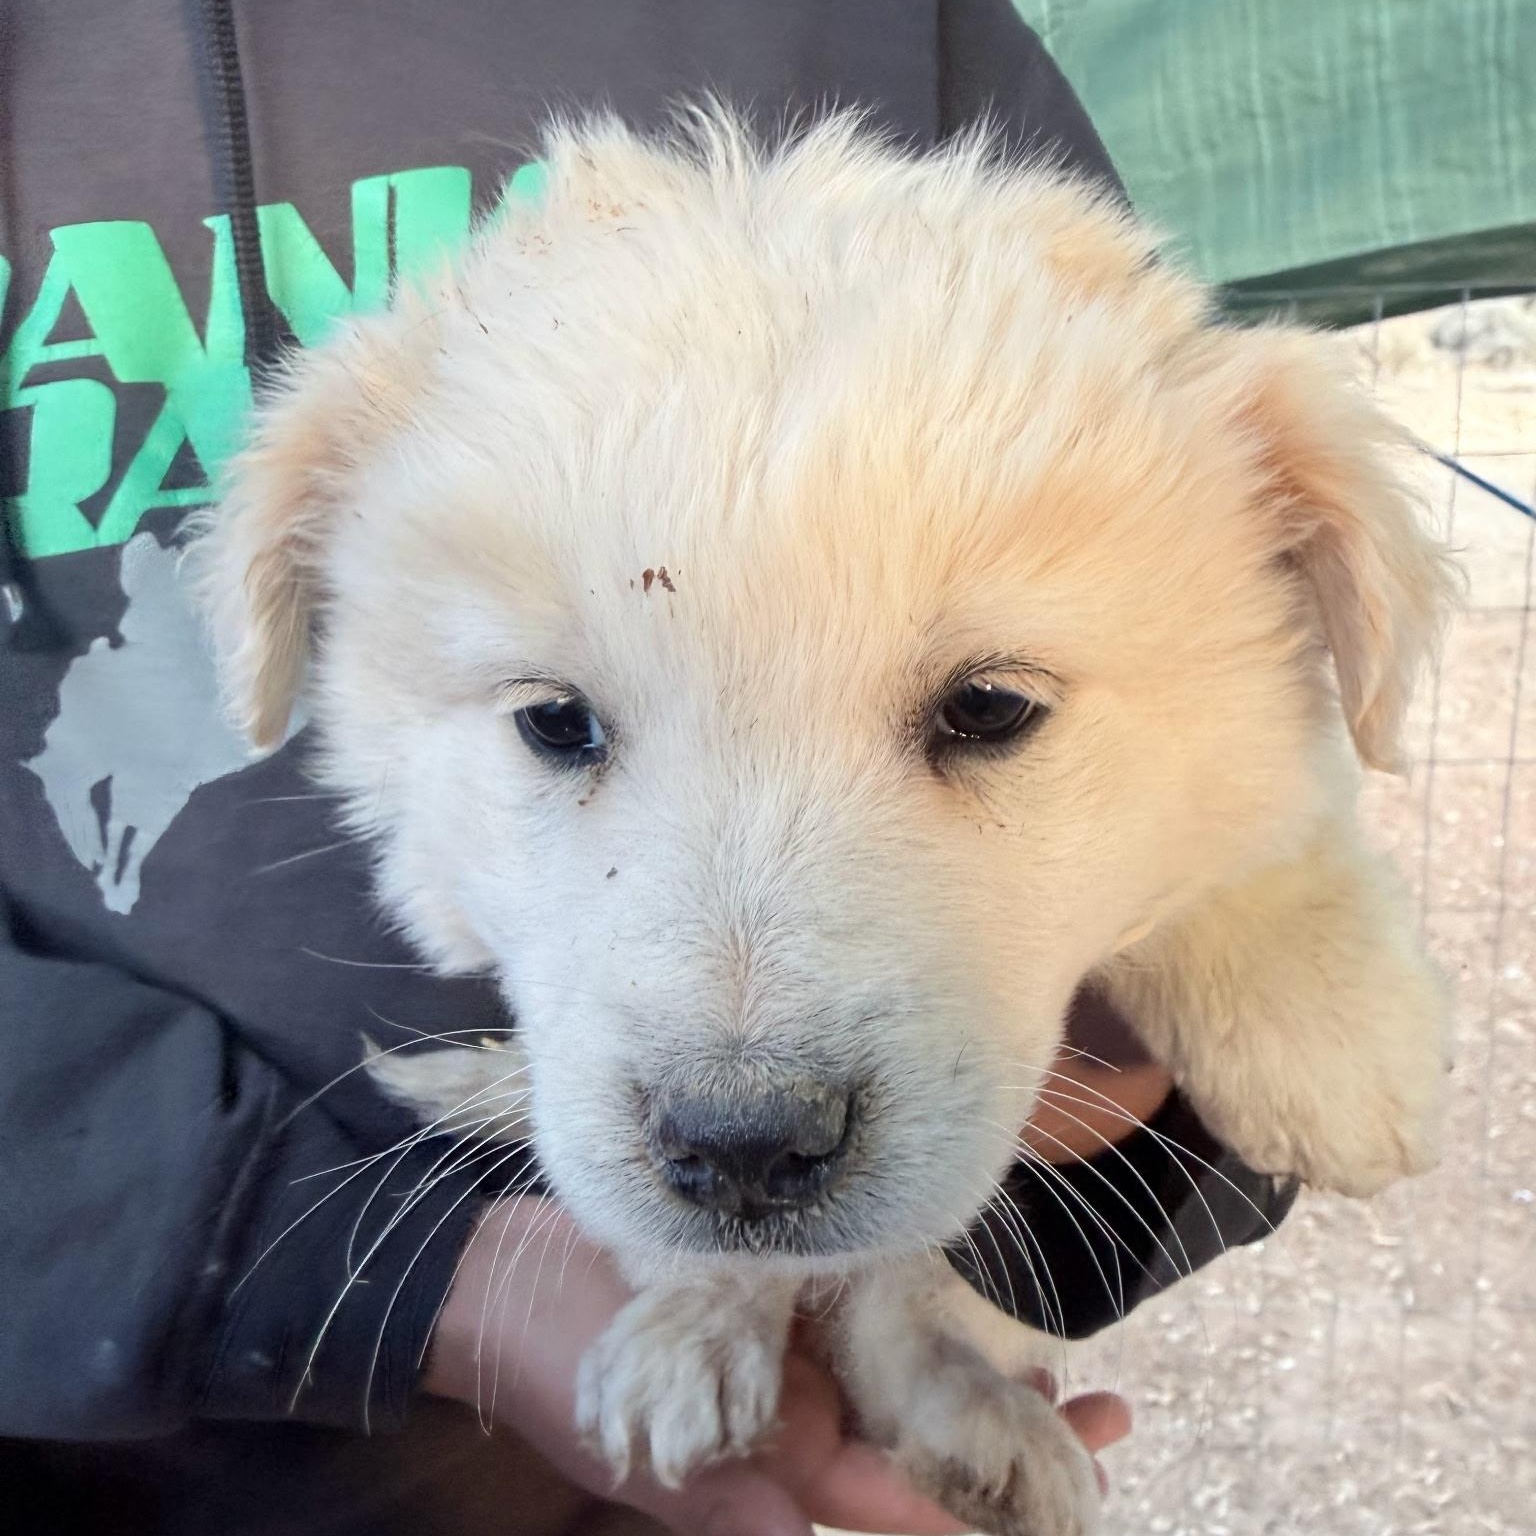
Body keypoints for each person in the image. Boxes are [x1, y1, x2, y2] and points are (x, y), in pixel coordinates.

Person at [0, 2, 1296, 1531]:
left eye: (980, 714)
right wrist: (385, 1284)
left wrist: (1152, 1106)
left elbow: (1221, 643)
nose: (739, 1064)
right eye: (562, 727)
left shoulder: (889, 31)